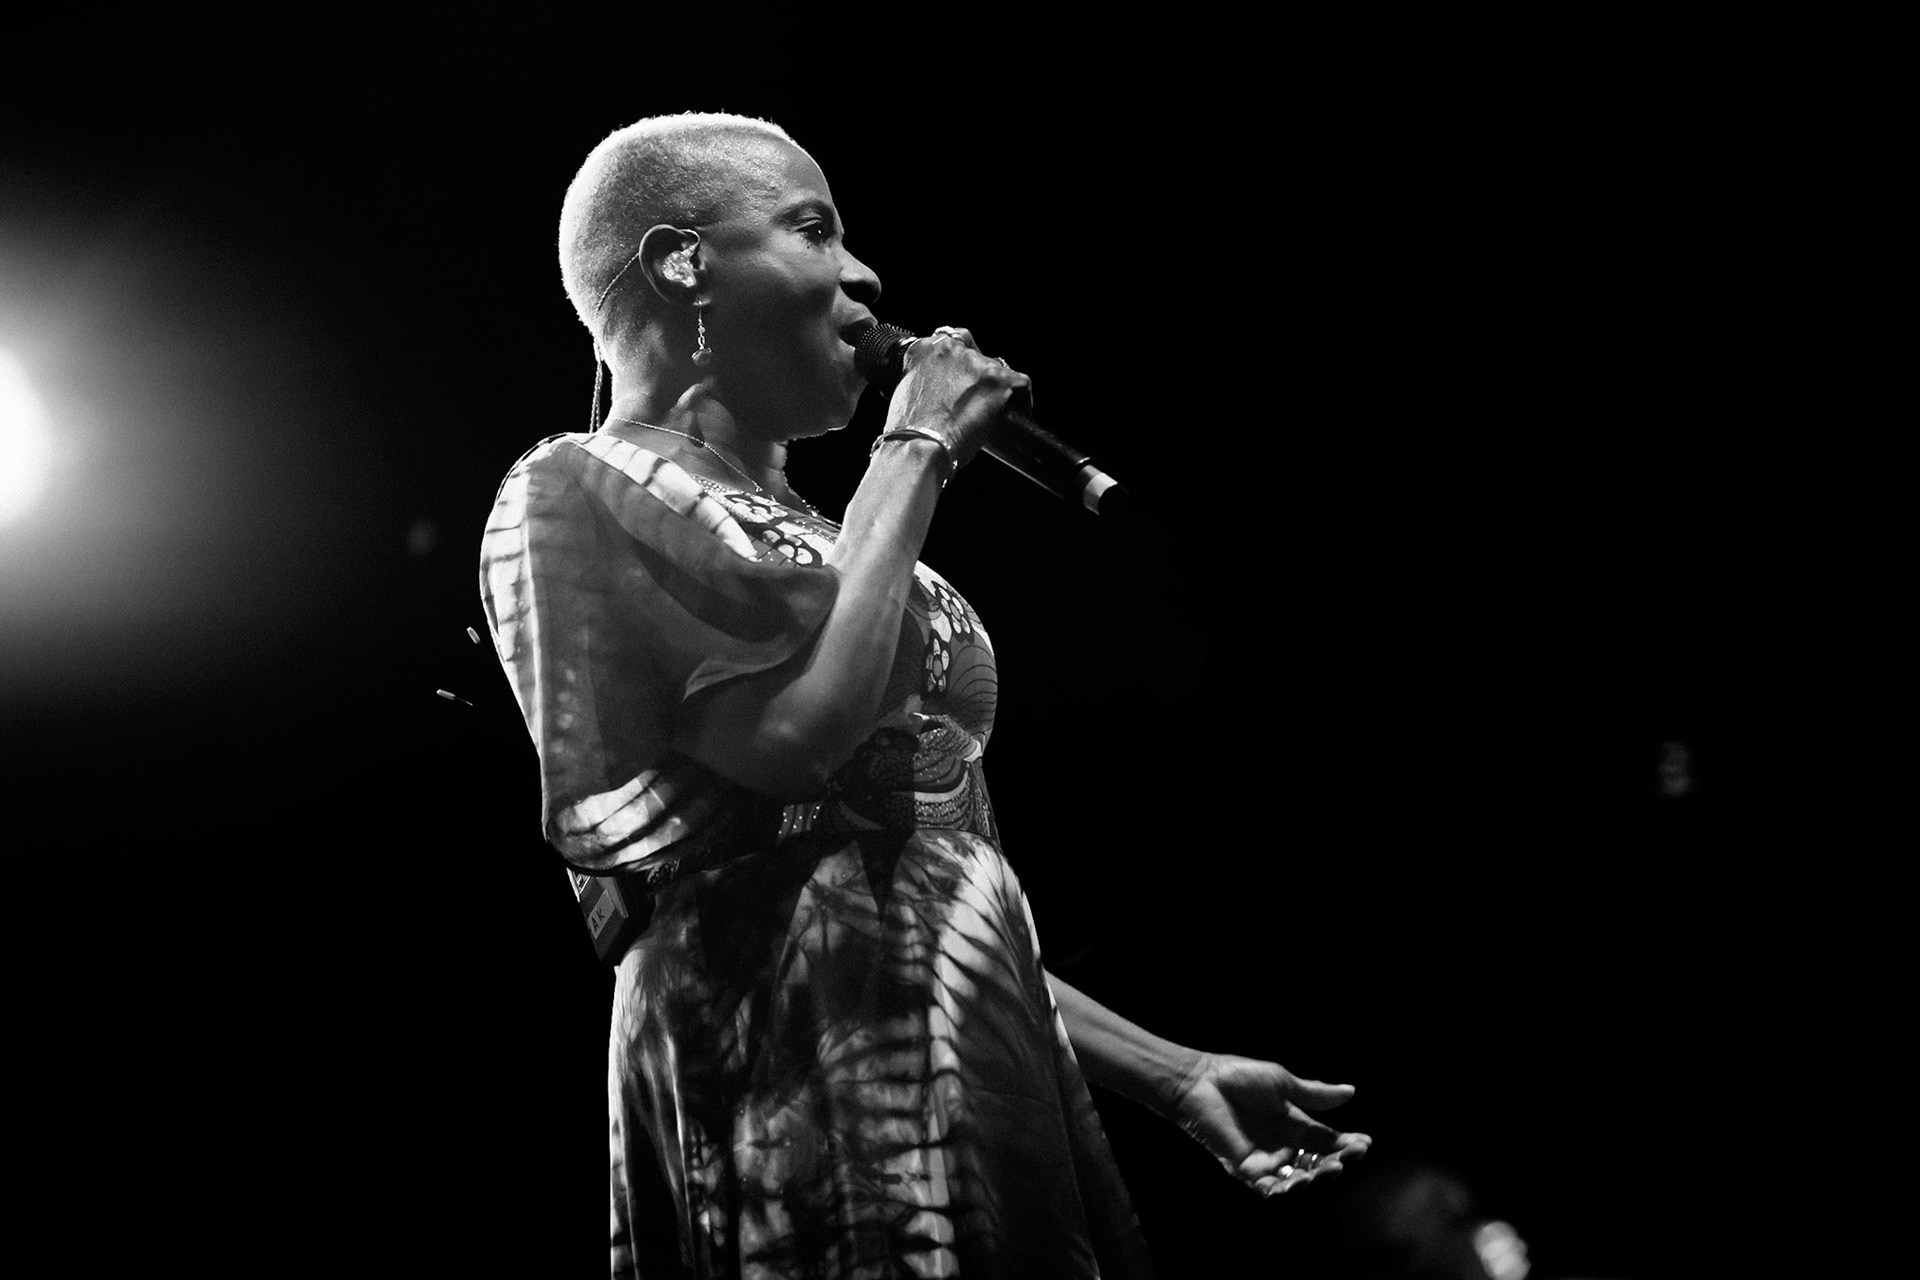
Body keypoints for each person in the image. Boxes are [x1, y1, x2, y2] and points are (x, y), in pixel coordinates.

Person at [480, 111, 1371, 1279]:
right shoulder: (582, 482)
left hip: (960, 1027)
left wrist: (1175, 1071)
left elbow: (900, 868)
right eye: (812, 230)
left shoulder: (830, 533)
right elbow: (792, 741)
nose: (864, 274)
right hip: (792, 1052)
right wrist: (915, 453)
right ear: (681, 262)